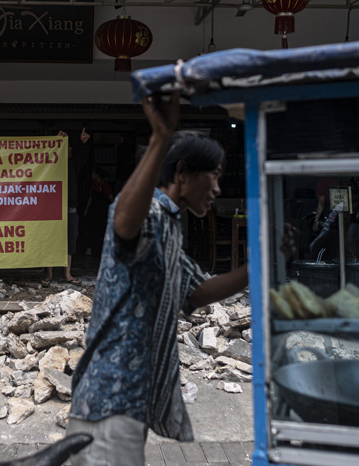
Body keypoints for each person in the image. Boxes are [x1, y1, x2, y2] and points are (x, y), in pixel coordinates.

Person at [66, 92, 249, 466]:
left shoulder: (169, 225)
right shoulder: (147, 210)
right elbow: (124, 221)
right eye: (213, 177)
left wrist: (262, 265)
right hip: (110, 399)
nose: (217, 190)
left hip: (130, 401)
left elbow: (196, 292)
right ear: (182, 174)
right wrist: (160, 138)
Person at [42, 128, 90, 287]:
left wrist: (83, 143)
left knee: (70, 243)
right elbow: (44, 156)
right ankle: (49, 275)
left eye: (70, 148)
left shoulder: (72, 164)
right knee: (51, 242)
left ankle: (67, 275)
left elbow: (82, 157)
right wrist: (55, 142)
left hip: (70, 209)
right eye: (66, 147)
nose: (69, 149)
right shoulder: (51, 164)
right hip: (53, 209)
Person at [83, 166, 114, 257]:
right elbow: (91, 197)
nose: (91, 175)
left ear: (97, 174)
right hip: (93, 211)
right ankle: (90, 249)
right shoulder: (93, 185)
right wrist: (86, 209)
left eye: (93, 173)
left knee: (100, 230)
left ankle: (100, 250)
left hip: (101, 211)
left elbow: (111, 198)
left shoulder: (105, 185)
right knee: (91, 229)